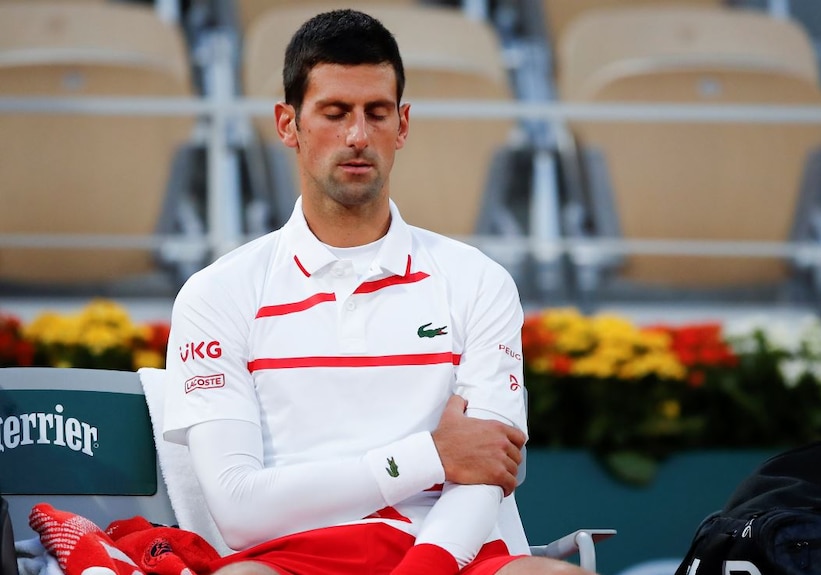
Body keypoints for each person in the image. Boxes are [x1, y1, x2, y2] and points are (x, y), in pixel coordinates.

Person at [163, 8, 595, 575]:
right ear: (288, 125)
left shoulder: (479, 279)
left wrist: (424, 568)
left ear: (403, 124)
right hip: (292, 558)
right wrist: (431, 456)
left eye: (377, 113)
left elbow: (485, 473)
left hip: (454, 557)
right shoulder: (215, 293)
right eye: (335, 113)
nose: (358, 136)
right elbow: (240, 511)